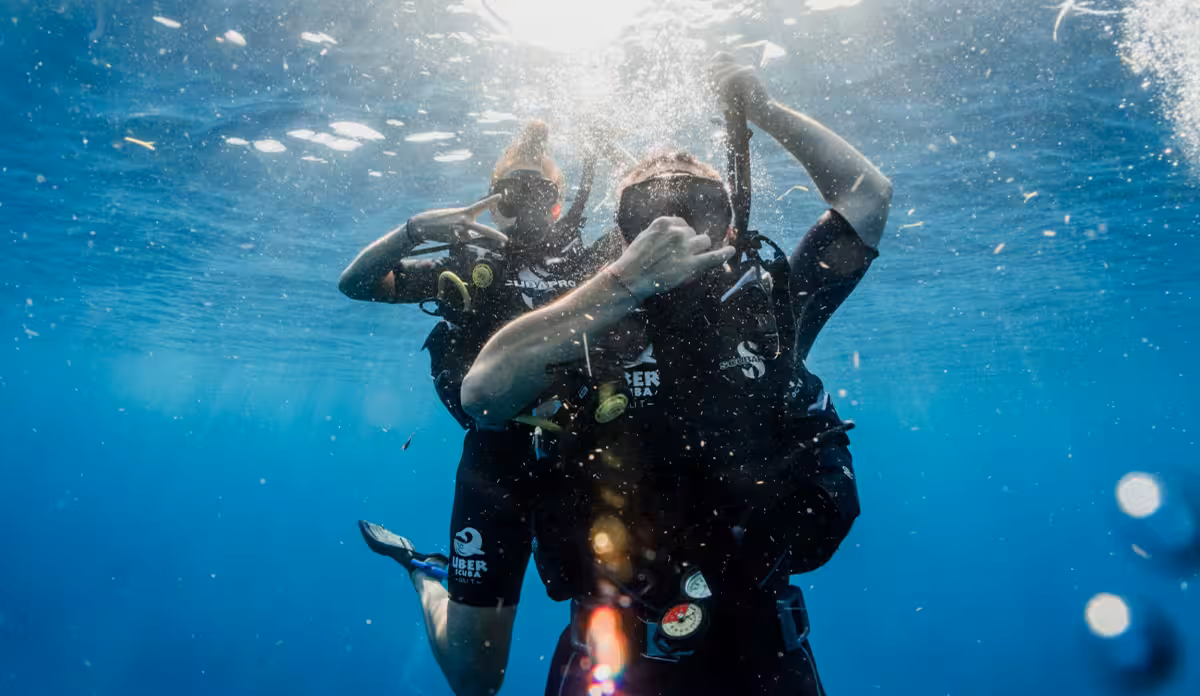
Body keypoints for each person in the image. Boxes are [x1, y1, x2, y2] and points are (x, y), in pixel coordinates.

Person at [460, 53, 892, 695]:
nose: (675, 209)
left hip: (763, 661)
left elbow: (867, 195)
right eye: (650, 203)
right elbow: (483, 394)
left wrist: (767, 113)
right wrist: (623, 283)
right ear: (624, 229)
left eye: (698, 198)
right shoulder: (586, 309)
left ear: (729, 218)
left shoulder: (766, 306)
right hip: (606, 660)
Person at [339, 121, 613, 696]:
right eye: (509, 194)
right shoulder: (464, 268)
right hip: (496, 463)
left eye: (537, 193)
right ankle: (428, 572)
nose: (523, 206)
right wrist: (413, 231)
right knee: (475, 679)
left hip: (582, 461)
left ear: (560, 205)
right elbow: (357, 283)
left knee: (602, 621)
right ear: (489, 204)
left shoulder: (594, 267)